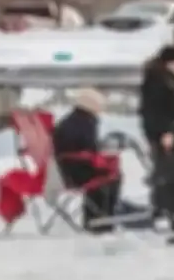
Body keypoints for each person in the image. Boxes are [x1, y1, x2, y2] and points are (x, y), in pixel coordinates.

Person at [51, 88, 136, 231]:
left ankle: (97, 215)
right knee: (112, 176)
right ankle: (103, 217)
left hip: (66, 169)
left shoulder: (70, 120)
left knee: (107, 173)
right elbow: (89, 148)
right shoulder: (85, 123)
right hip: (76, 172)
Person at [139, 44, 174, 151]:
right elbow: (157, 109)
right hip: (164, 132)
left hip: (169, 130)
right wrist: (167, 131)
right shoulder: (159, 81)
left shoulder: (165, 78)